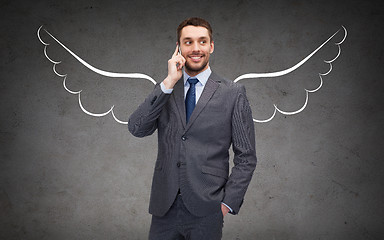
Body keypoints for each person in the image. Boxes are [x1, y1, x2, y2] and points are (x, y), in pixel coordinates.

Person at [128, 17, 257, 240]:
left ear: (211, 46)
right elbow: (137, 128)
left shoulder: (233, 93)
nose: (196, 48)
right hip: (164, 207)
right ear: (178, 48)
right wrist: (168, 82)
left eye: (202, 41)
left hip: (207, 208)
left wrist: (226, 204)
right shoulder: (166, 90)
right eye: (188, 42)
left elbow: (246, 156)